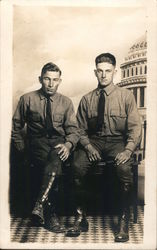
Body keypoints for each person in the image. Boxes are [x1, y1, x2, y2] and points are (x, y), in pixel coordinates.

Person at [65, 53, 142, 241]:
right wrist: (89, 147)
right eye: (100, 71)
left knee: (124, 168)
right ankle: (80, 217)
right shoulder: (87, 99)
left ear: (114, 72)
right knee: (76, 166)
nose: (104, 75)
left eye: (108, 71)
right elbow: (79, 129)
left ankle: (123, 221)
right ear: (95, 72)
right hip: (94, 142)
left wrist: (128, 150)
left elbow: (135, 127)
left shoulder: (126, 97)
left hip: (117, 143)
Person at [11, 62, 80, 233]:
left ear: (60, 81)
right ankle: (50, 215)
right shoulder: (27, 99)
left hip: (58, 143)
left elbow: (73, 130)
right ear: (40, 79)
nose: (51, 84)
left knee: (57, 156)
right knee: (54, 162)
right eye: (47, 79)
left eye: (55, 80)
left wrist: (68, 144)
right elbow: (16, 127)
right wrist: (21, 148)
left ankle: (40, 207)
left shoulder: (66, 102)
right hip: (36, 143)